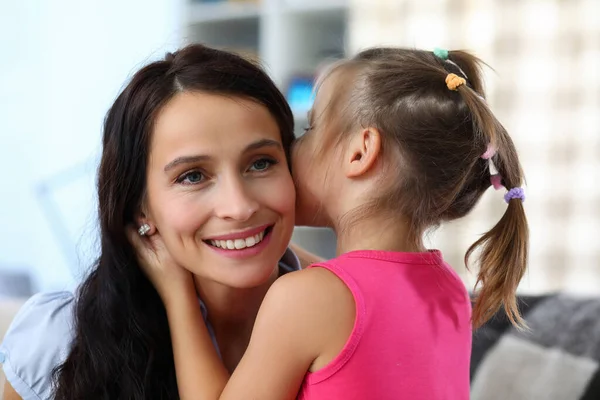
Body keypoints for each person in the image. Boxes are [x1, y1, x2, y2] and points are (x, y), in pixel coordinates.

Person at [134, 47, 529, 400]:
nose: (292, 149)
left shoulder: (305, 298)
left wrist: (178, 297)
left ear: (360, 153)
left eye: (310, 129)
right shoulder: (448, 290)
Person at [0, 44, 322, 400]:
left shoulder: (346, 316)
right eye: (193, 176)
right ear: (140, 208)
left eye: (261, 163)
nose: (239, 207)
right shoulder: (63, 340)